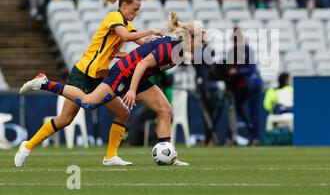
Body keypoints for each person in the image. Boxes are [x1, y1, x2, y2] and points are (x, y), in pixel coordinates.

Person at [17, 12, 205, 167]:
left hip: (138, 77)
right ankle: (44, 83)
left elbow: (145, 52)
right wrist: (131, 90)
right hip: (124, 75)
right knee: (88, 104)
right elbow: (140, 65)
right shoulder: (169, 48)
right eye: (202, 38)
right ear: (191, 38)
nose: (204, 42)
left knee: (164, 110)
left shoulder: (180, 53)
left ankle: (164, 155)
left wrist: (127, 56)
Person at [14, 0, 164, 167]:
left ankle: (110, 157)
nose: (135, 13)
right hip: (84, 73)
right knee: (65, 119)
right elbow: (126, 37)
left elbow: (141, 43)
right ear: (124, 6)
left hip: (100, 76)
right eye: (134, 9)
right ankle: (29, 141)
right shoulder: (113, 16)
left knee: (123, 112)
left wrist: (161, 41)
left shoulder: (125, 22)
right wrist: (151, 30)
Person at [226, 28, 263, 145]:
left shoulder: (248, 50)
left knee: (253, 112)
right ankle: (231, 137)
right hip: (239, 87)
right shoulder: (231, 52)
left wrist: (237, 72)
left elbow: (250, 68)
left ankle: (255, 137)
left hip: (251, 85)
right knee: (233, 111)